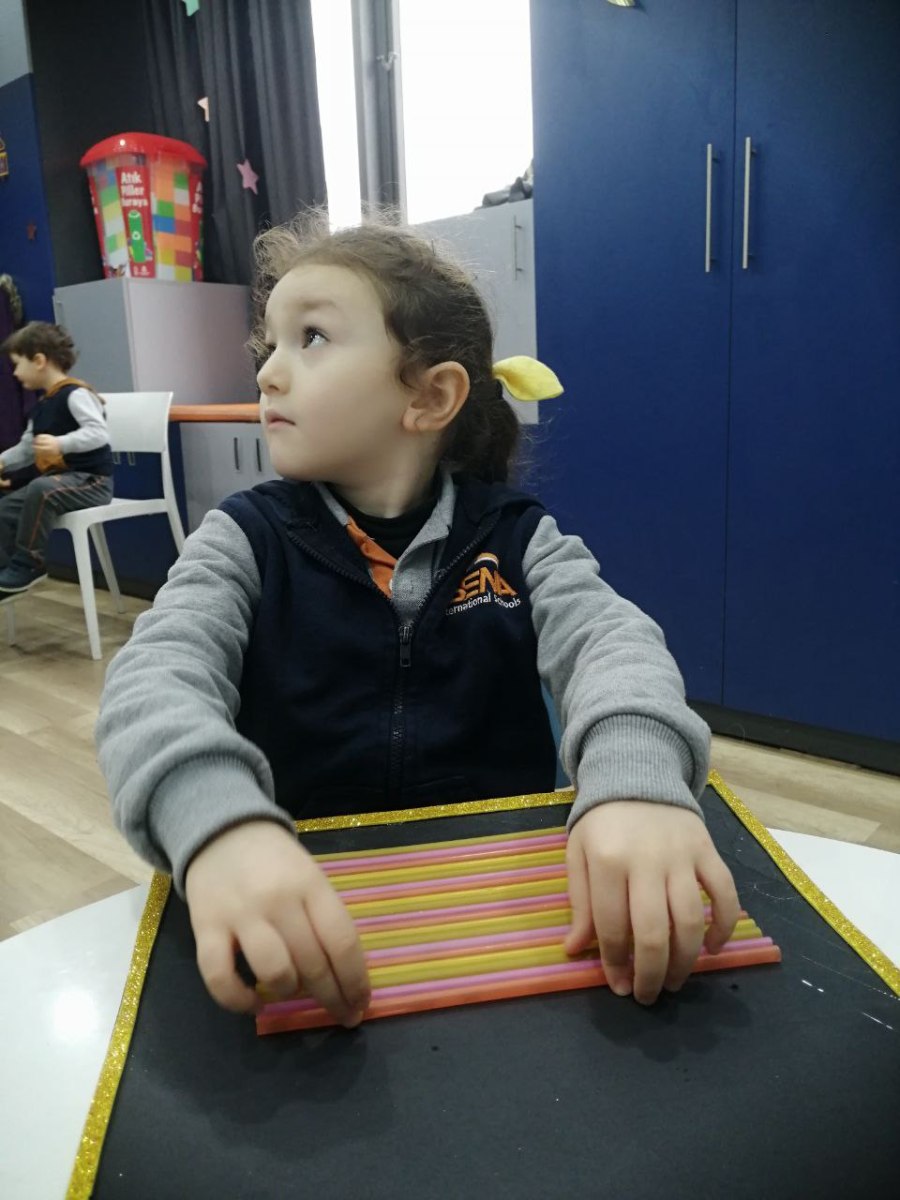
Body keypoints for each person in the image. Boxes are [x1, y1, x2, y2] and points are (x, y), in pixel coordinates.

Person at [96, 211, 739, 1030]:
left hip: (503, 917)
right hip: (302, 915)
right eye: (270, 344)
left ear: (430, 396)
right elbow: (155, 679)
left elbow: (613, 644)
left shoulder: (519, 538)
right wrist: (217, 825)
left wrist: (635, 781)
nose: (268, 374)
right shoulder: (243, 538)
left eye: (311, 338)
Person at [0, 321, 113, 593]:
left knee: (42, 489)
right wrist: (2, 461)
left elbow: (99, 433)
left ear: (39, 361)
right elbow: (28, 448)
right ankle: (6, 571)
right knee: (5, 507)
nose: (15, 373)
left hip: (93, 482)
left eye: (17, 364)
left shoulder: (76, 394)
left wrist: (61, 443)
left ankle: (30, 563)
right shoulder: (42, 406)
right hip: (62, 483)